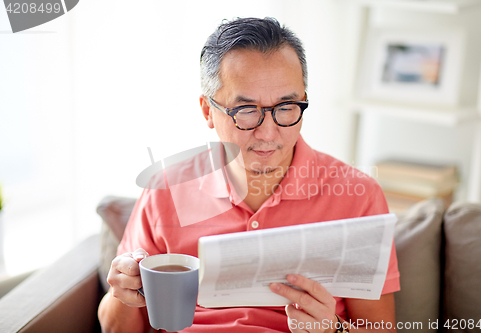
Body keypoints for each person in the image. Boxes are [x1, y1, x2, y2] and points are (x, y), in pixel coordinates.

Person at [98, 17, 400, 333]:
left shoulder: (358, 195)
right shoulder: (165, 190)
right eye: (246, 111)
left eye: (286, 106)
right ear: (207, 111)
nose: (268, 133)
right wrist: (123, 294)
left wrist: (333, 329)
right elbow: (115, 328)